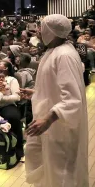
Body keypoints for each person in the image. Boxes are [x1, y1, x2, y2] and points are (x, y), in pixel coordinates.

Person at [23, 14, 88, 187]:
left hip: (59, 126)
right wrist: (36, 92)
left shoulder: (64, 55)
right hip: (47, 121)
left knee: (62, 174)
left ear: (52, 31)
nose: (38, 31)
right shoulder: (54, 51)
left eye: (42, 27)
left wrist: (48, 119)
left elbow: (73, 98)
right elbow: (54, 87)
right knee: (44, 164)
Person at [0, 61, 23, 159]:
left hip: (7, 105)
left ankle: (17, 150)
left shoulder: (11, 80)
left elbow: (17, 97)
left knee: (13, 117)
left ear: (5, 69)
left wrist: (1, 98)